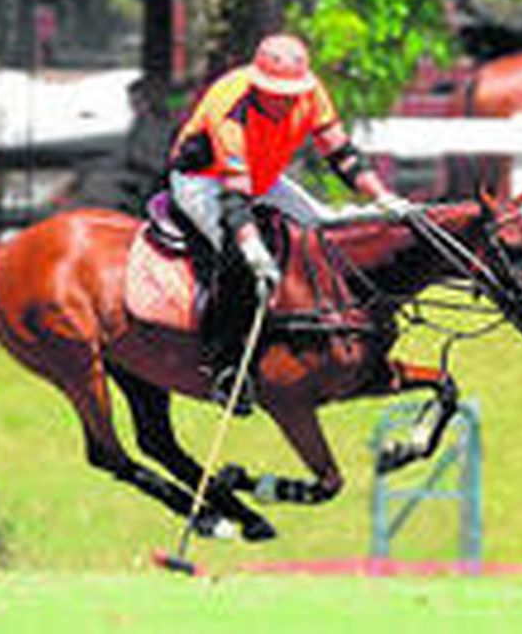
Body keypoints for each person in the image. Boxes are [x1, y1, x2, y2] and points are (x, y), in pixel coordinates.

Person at [168, 33, 409, 410]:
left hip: (264, 178)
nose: (286, 100)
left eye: (292, 92)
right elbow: (235, 200)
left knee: (325, 230)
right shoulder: (231, 106)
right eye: (277, 92)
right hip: (205, 181)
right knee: (241, 260)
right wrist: (254, 250)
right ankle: (227, 368)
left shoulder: (310, 93)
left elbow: (342, 155)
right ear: (258, 84)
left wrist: (383, 196)